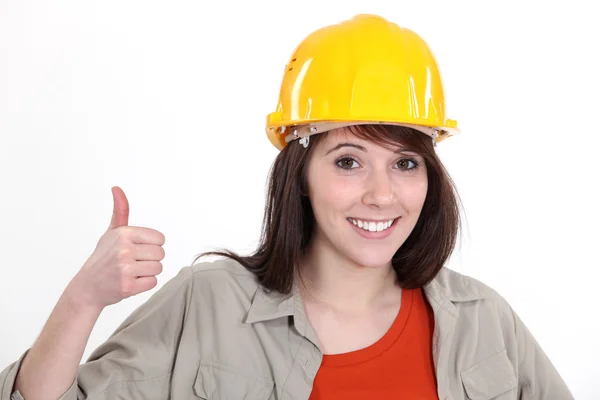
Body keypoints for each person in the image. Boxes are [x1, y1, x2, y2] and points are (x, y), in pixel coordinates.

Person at [1, 14, 573, 400]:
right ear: (301, 175)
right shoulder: (210, 303)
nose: (382, 193)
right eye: (349, 161)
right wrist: (83, 299)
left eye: (405, 162)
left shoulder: (481, 318)